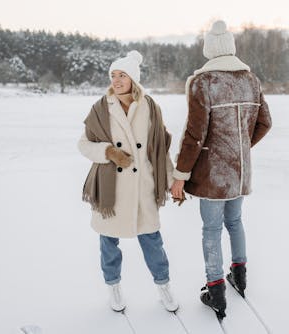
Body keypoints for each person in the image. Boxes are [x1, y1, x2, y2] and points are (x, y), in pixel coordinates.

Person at [170, 20, 272, 319]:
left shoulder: (205, 82)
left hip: (212, 175)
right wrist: (240, 149)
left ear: (209, 50)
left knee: (212, 229)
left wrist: (180, 175)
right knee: (235, 222)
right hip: (239, 172)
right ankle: (239, 276)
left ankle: (215, 290)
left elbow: (194, 135)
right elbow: (265, 122)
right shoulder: (250, 80)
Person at [78, 50, 179, 312]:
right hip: (111, 191)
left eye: (122, 75)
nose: (116, 80)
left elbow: (159, 151)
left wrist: (172, 182)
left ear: (133, 79)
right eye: (113, 75)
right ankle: (113, 287)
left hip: (143, 186)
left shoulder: (150, 107)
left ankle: (163, 286)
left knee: (153, 242)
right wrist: (108, 152)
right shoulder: (101, 108)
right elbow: (83, 144)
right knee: (108, 244)